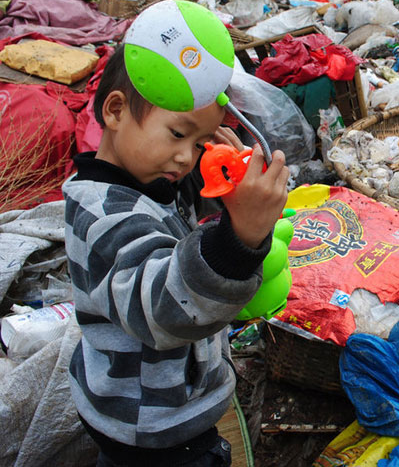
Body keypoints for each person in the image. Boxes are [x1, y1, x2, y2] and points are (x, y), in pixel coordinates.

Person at [62, 45, 290, 466]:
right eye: (178, 134)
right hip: (151, 427)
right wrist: (240, 237)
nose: (187, 157)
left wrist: (225, 177)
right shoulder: (103, 215)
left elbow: (178, 212)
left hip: (157, 407)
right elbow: (165, 307)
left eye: (201, 141)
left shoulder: (146, 180)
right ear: (115, 111)